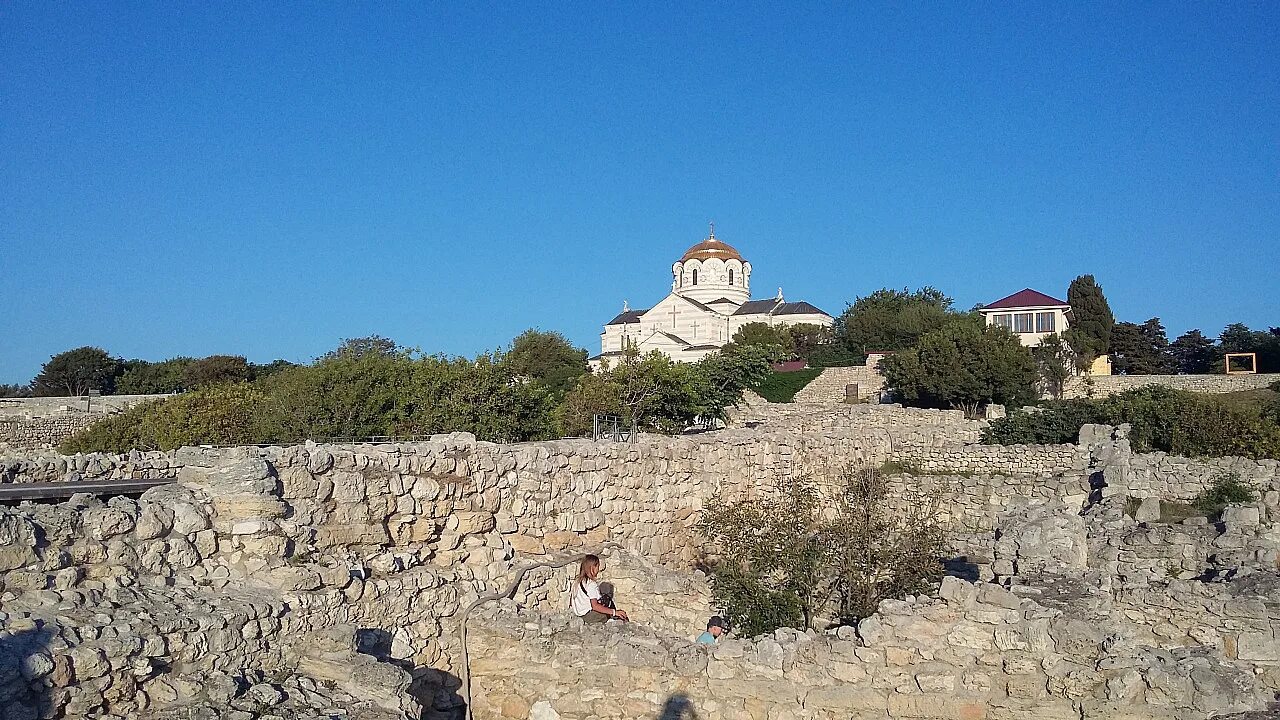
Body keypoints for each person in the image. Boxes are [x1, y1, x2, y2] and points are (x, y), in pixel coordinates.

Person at [569, 554, 629, 623]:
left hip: (580, 614)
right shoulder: (591, 584)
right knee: (609, 604)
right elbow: (595, 606)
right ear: (592, 567)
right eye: (597, 566)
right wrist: (614, 612)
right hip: (590, 616)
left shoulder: (576, 582)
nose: (598, 570)